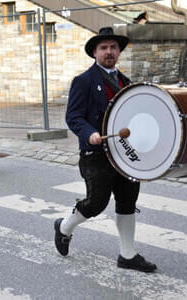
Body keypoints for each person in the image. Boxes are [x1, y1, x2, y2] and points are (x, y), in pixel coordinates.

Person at [54, 27, 157, 273]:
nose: (109, 52)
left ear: (119, 51)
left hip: (125, 155)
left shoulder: (127, 83)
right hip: (96, 154)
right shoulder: (83, 81)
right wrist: (89, 133)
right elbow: (74, 116)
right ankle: (64, 227)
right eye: (104, 48)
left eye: (113, 47)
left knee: (127, 201)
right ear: (95, 53)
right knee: (96, 203)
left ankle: (127, 254)